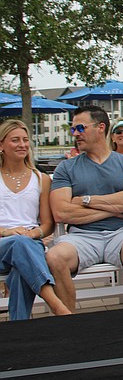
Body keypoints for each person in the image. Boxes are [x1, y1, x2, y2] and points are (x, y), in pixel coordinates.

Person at [46, 105, 123, 310]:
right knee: (54, 256)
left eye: (80, 128)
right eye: (73, 129)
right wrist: (113, 208)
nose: (75, 134)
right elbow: (61, 212)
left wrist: (84, 200)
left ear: (100, 127)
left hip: (122, 232)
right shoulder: (66, 167)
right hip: (81, 237)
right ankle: (68, 323)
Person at [0, 120, 72, 320]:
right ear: (1, 145)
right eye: (15, 140)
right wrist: (7, 232)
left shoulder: (41, 179)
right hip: (3, 244)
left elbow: (48, 224)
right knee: (19, 243)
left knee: (20, 268)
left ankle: (18, 327)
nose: (22, 145)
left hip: (29, 245)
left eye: (25, 140)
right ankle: (56, 305)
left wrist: (32, 233)